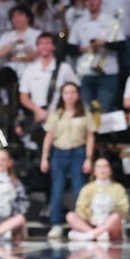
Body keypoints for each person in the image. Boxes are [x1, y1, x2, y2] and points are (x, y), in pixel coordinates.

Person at [41, 82, 95, 242]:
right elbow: (49, 136)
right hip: (59, 152)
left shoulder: (84, 113)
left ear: (77, 95)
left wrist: (88, 158)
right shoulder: (56, 114)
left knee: (79, 189)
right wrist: (45, 157)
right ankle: (56, 223)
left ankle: (80, 223)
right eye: (66, 92)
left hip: (77, 152)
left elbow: (90, 136)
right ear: (62, 95)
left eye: (73, 92)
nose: (70, 96)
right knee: (57, 189)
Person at [66, 156, 130, 243]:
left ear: (110, 170)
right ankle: (96, 234)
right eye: (99, 167)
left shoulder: (118, 188)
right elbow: (80, 208)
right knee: (70, 216)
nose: (102, 170)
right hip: (91, 224)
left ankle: (90, 235)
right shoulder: (87, 188)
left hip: (109, 225)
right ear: (94, 171)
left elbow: (124, 210)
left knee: (115, 217)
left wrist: (112, 208)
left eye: (105, 166)